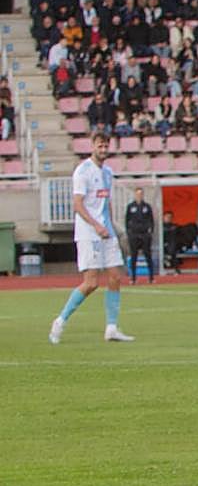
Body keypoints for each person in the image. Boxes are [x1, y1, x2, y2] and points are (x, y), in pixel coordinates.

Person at [49, 133, 135, 344]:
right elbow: (78, 204)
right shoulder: (83, 171)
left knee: (115, 276)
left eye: (106, 146)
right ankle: (60, 320)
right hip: (89, 233)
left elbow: (106, 203)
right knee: (91, 283)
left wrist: (111, 226)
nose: (103, 149)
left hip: (107, 232)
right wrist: (96, 225)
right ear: (93, 147)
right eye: (100, 146)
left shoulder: (107, 172)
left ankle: (112, 328)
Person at [124, 187, 155, 284]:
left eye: (141, 194)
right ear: (135, 195)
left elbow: (151, 220)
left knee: (148, 255)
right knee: (134, 256)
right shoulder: (130, 206)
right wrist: (129, 232)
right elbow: (127, 220)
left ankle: (151, 277)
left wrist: (150, 231)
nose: (139, 196)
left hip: (145, 234)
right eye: (137, 194)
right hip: (134, 234)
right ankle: (133, 278)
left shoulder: (147, 206)